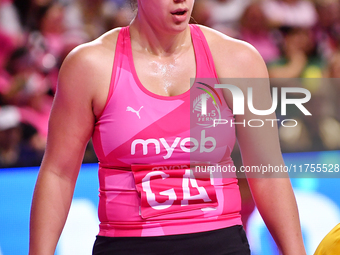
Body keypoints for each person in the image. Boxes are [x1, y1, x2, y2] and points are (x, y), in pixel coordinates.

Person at [29, 0, 306, 254]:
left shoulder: (238, 60)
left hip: (220, 242)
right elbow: (58, 173)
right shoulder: (89, 65)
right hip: (127, 245)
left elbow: (267, 169)